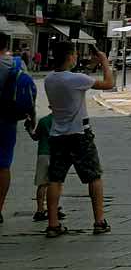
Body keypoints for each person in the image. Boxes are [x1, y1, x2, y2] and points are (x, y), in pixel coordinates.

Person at [43, 43, 114, 236]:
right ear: (70, 57)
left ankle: (53, 224)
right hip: (80, 134)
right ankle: (99, 221)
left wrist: (91, 66)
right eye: (74, 55)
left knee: (55, 178)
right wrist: (105, 61)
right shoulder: (77, 79)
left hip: (58, 134)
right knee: (94, 176)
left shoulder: (49, 80)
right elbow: (109, 84)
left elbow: (75, 80)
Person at [2, 35, 39, 225]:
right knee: (4, 164)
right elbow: (29, 92)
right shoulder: (16, 64)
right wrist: (32, 118)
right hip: (7, 120)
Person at [30, 112, 58, 222]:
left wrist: (29, 128)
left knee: (42, 184)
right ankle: (54, 208)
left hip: (43, 153)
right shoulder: (62, 120)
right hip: (57, 153)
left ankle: (40, 209)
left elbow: (35, 137)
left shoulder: (44, 121)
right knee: (55, 183)